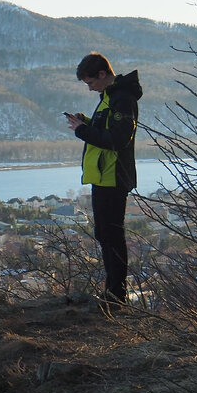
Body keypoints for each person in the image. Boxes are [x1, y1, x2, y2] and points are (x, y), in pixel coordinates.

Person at [65, 53, 142, 304]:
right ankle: (112, 292)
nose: (89, 88)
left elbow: (117, 140)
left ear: (102, 74)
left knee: (112, 236)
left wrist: (82, 131)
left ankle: (116, 295)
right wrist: (86, 122)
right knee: (105, 235)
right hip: (103, 177)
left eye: (90, 82)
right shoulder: (109, 98)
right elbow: (107, 132)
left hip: (113, 177)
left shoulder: (122, 99)